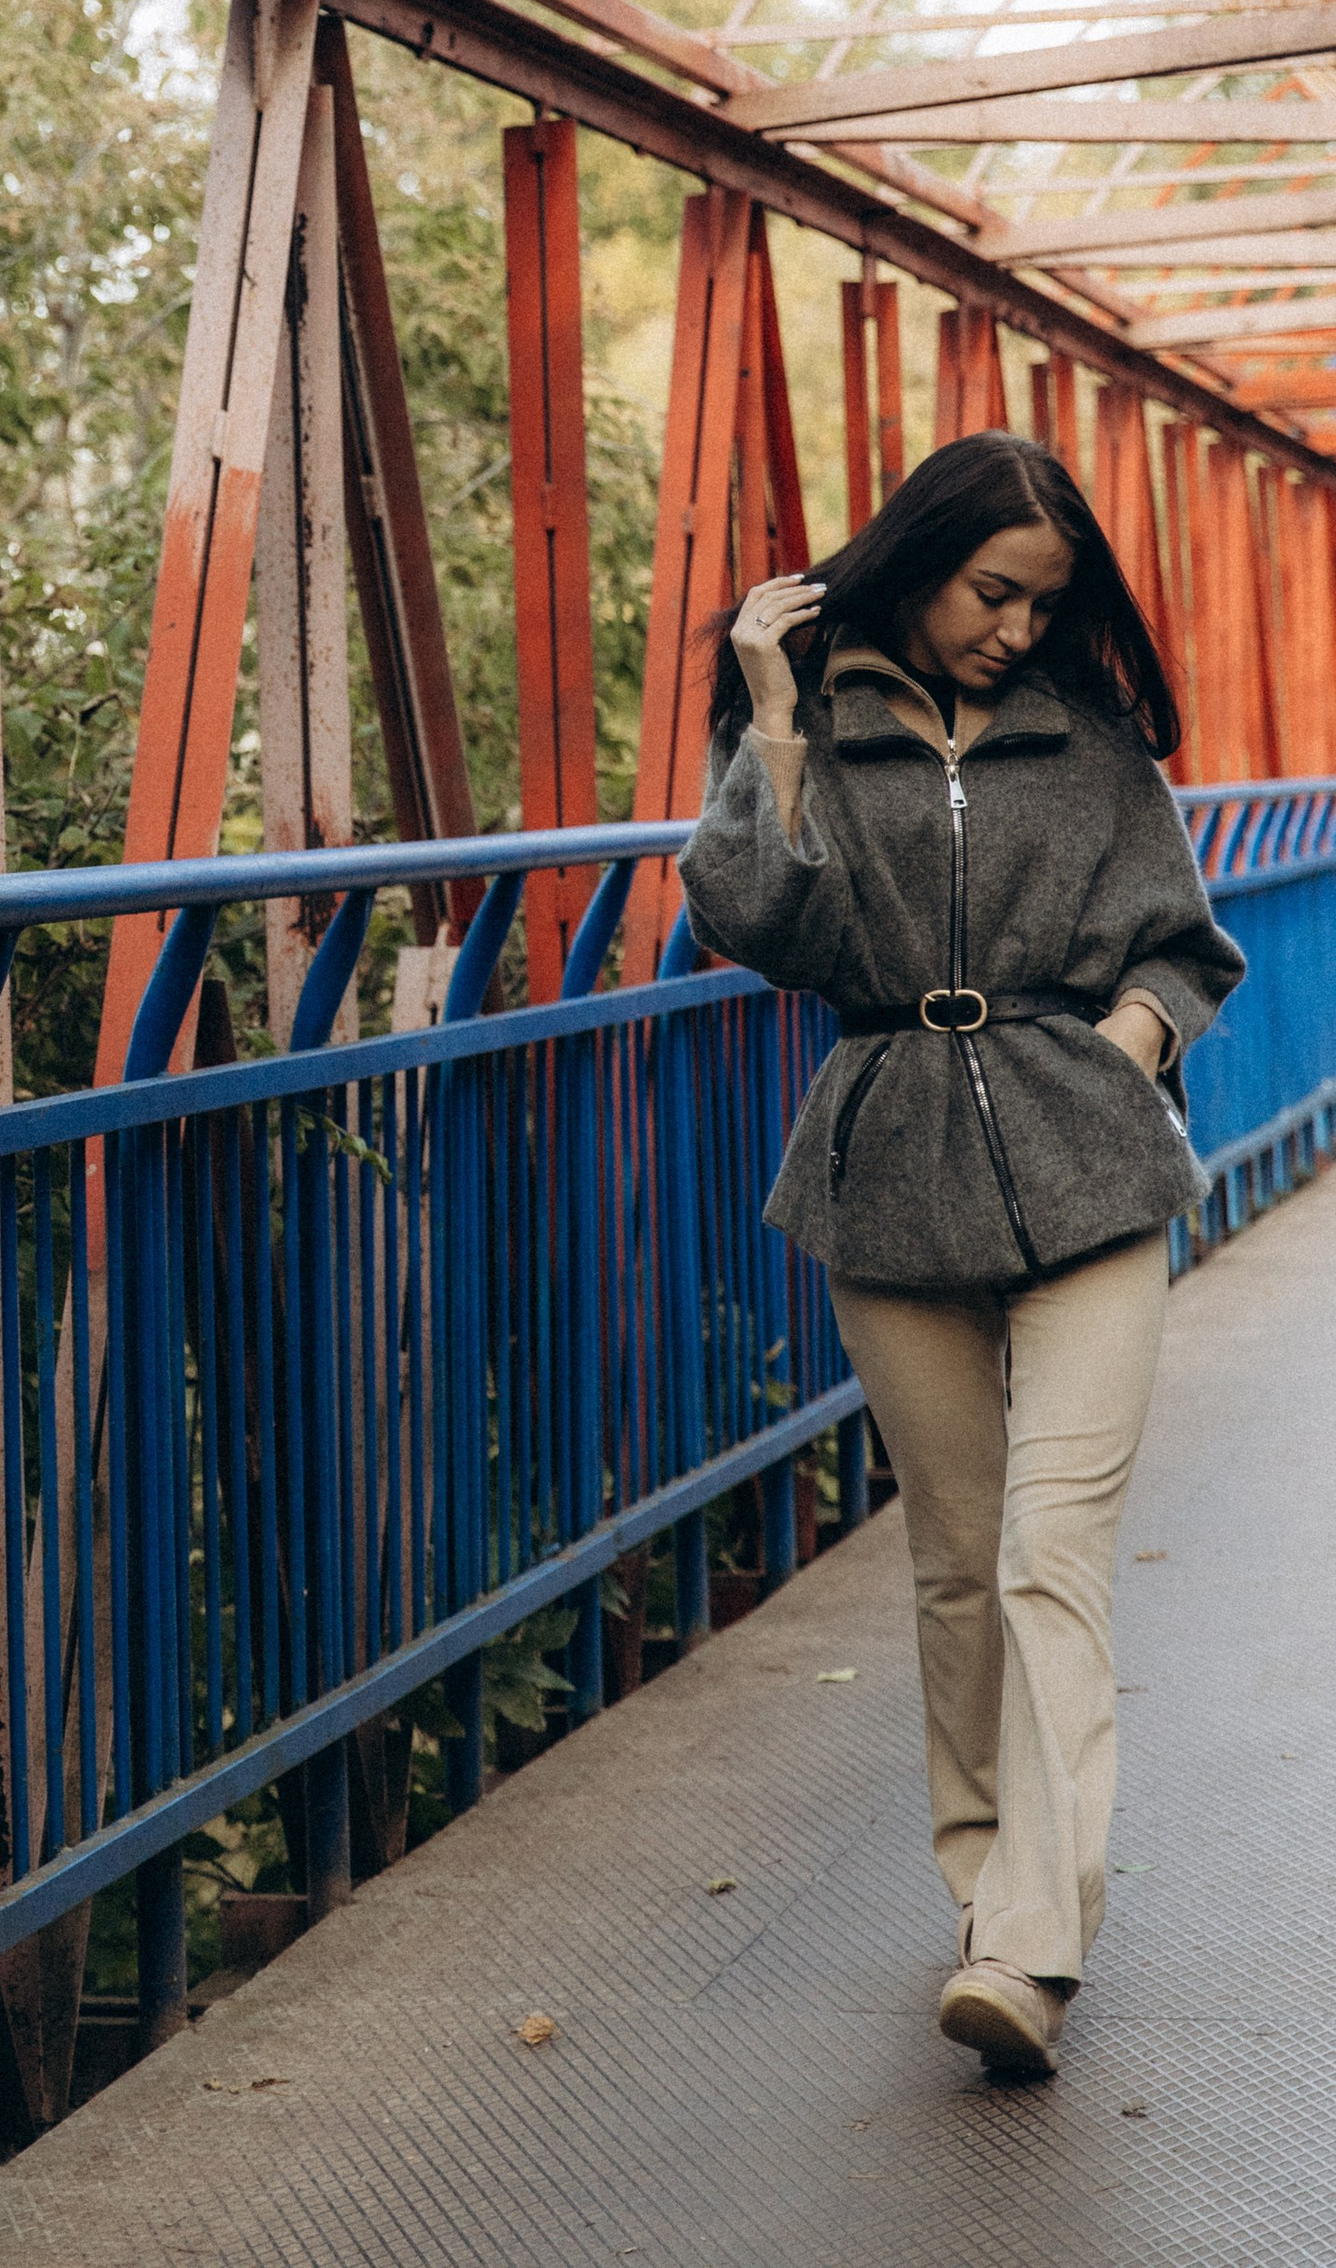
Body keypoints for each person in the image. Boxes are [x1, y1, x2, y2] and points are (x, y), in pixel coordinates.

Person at [678, 430, 1240, 2084]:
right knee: (956, 1556)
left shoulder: (1091, 741)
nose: (1015, 628)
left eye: (1042, 602)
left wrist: (1135, 1038)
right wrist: (771, 720)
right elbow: (748, 920)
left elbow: (1184, 942)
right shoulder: (816, 731)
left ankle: (1030, 1944)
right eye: (994, 591)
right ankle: (986, 1883)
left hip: (1088, 1165)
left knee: (1051, 1554)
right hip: (888, 1168)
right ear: (919, 560)